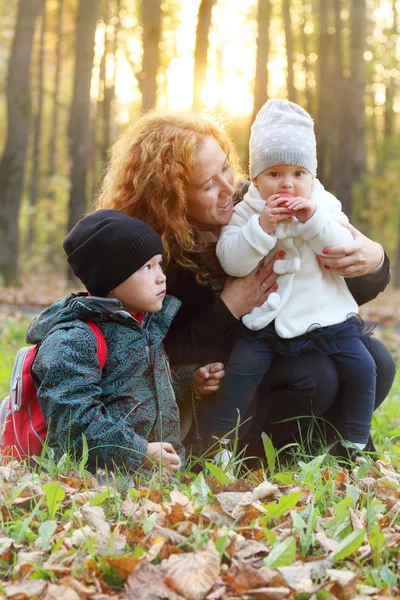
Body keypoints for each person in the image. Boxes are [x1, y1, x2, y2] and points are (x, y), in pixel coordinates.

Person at [96, 110, 395, 455]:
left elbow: (332, 287)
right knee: (315, 378)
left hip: (290, 333)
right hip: (226, 375)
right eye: (209, 184)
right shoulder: (153, 254)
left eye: (225, 167)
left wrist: (374, 259)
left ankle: (330, 448)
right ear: (171, 196)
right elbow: (157, 349)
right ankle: (255, 453)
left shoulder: (256, 201)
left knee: (378, 362)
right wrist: (229, 307)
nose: (229, 188)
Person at [214, 99, 378, 459]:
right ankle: (218, 442)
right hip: (266, 321)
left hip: (325, 316)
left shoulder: (324, 204)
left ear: (312, 176)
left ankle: (354, 441)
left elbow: (342, 248)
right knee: (241, 372)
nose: (286, 185)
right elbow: (232, 260)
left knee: (365, 367)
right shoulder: (247, 211)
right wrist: (262, 228)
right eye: (274, 175)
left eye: (297, 174)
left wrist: (314, 220)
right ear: (255, 178)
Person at [27, 210, 223, 472]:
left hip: (147, 484)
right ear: (111, 279)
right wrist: (139, 451)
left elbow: (134, 392)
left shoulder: (143, 326)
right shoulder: (73, 339)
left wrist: (188, 382)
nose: (161, 276)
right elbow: (73, 420)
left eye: (159, 264)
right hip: (95, 487)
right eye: (146, 267)